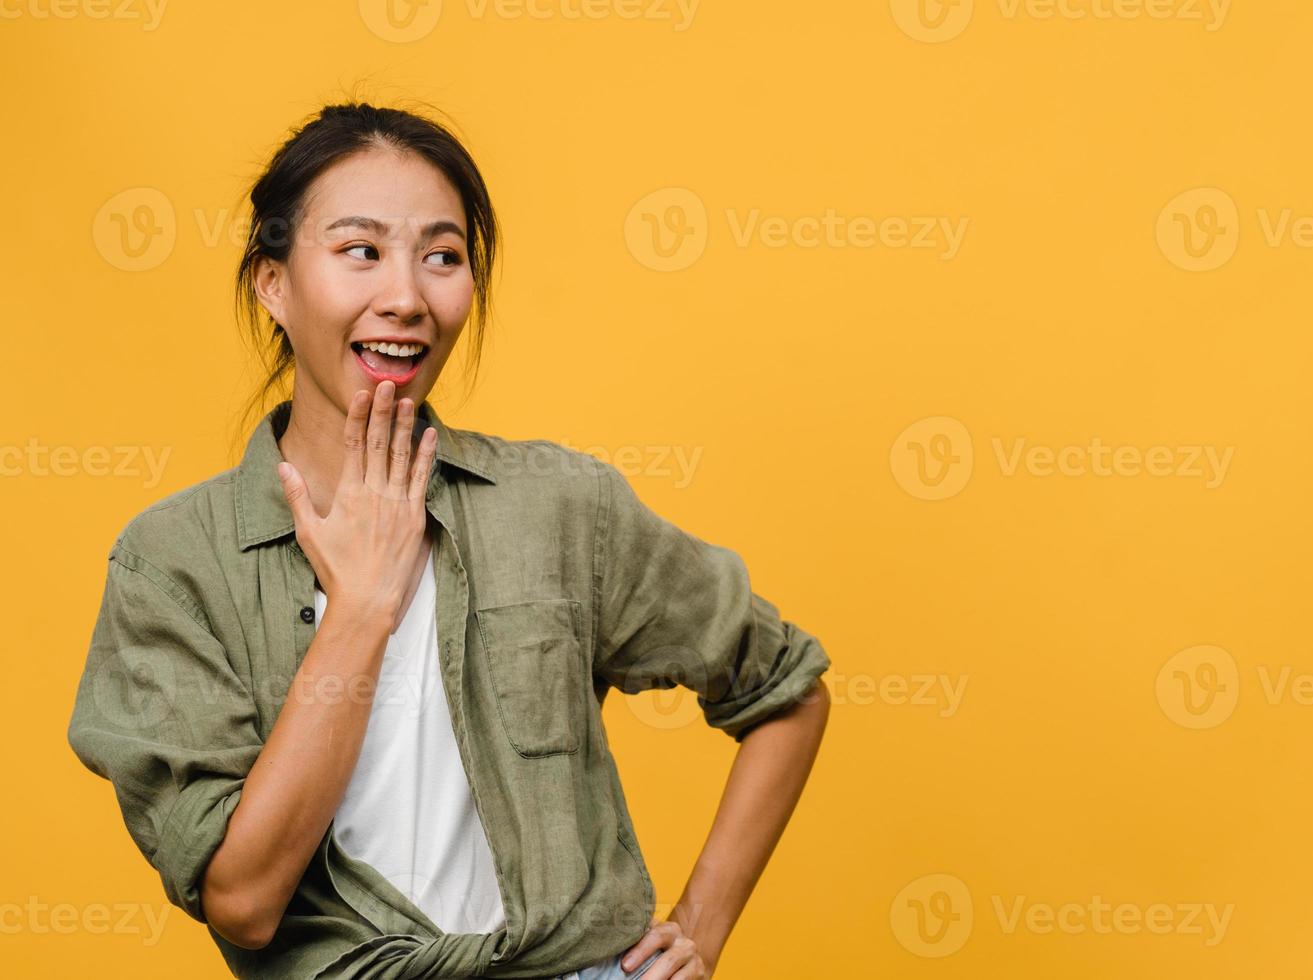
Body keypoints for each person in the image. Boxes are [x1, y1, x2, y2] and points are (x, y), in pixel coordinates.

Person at [66, 101, 832, 980]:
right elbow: (243, 902)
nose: (406, 297)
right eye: (361, 250)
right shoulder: (174, 564)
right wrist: (359, 610)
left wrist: (702, 926)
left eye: (442, 257)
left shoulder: (557, 505)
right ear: (270, 283)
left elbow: (785, 689)